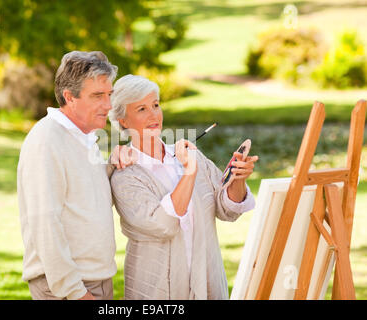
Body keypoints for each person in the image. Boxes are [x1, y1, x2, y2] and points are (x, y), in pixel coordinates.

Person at [109, 74, 259, 300]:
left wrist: (238, 178)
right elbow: (164, 224)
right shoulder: (125, 175)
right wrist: (189, 173)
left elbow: (227, 209)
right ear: (123, 120)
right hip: (155, 291)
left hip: (207, 282)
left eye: (156, 105)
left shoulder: (189, 154)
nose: (154, 115)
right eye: (141, 109)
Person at [17, 51, 134, 300]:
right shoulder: (47, 140)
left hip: (94, 281)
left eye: (109, 95)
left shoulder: (83, 137)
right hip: (67, 288)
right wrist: (75, 292)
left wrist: (111, 164)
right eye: (97, 96)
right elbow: (44, 223)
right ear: (70, 97)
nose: (109, 105)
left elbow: (81, 195)